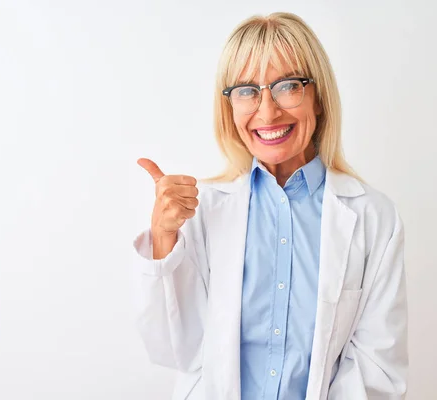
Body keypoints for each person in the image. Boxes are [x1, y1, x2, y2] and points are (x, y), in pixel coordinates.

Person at [132, 12, 408, 400]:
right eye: (246, 90)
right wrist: (163, 237)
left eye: (287, 87)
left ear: (318, 98)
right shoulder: (203, 210)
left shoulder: (373, 217)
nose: (267, 111)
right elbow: (171, 349)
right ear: (228, 107)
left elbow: (377, 369)